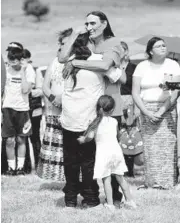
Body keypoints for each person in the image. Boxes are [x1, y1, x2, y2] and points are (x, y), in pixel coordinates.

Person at [58, 11, 126, 207]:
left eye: (93, 23)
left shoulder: (115, 43)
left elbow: (105, 65)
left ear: (104, 24)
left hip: (109, 108)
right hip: (82, 111)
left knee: (107, 157)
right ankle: (86, 195)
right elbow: (63, 57)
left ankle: (114, 199)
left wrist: (75, 63)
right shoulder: (86, 43)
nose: (89, 27)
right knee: (83, 158)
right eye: (86, 23)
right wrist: (73, 37)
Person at [132, 36, 180, 189]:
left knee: (167, 145)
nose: (163, 48)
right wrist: (145, 111)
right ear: (150, 51)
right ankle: (151, 182)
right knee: (151, 147)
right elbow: (135, 92)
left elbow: (176, 90)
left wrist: (162, 110)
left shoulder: (173, 65)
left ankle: (167, 182)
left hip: (168, 108)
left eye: (164, 45)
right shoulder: (142, 66)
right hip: (146, 108)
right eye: (159, 46)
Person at [78, 95, 136, 211]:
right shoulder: (114, 121)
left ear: (98, 108)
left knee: (106, 180)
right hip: (116, 152)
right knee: (121, 178)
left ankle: (110, 204)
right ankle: (130, 201)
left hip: (104, 154)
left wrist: (83, 140)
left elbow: (90, 136)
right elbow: (118, 135)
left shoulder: (95, 122)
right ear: (112, 110)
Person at [36, 28, 73, 181]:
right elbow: (45, 86)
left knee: (71, 146)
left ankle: (72, 178)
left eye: (66, 43)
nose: (62, 46)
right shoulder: (55, 61)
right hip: (54, 110)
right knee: (55, 146)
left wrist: (65, 99)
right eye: (62, 43)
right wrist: (54, 98)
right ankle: (56, 177)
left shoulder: (80, 61)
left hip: (72, 109)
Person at [2, 43, 35, 175]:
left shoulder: (29, 70)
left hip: (22, 109)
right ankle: (11, 167)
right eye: (10, 58)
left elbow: (26, 90)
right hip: (8, 108)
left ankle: (20, 168)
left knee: (21, 139)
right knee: (9, 140)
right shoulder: (5, 70)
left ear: (21, 58)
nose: (12, 61)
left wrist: (21, 71)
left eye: (15, 58)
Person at [120, 41, 143, 177]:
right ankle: (122, 168)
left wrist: (136, 108)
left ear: (126, 52)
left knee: (132, 134)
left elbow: (137, 89)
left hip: (131, 101)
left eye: (120, 50)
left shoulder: (134, 68)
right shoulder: (113, 67)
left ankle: (131, 169)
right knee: (120, 135)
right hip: (116, 101)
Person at [21, 49, 43, 169]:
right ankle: (27, 166)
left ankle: (39, 164)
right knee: (23, 137)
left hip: (34, 109)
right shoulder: (20, 71)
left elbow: (40, 90)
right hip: (22, 109)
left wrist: (28, 92)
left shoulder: (36, 70)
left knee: (35, 137)